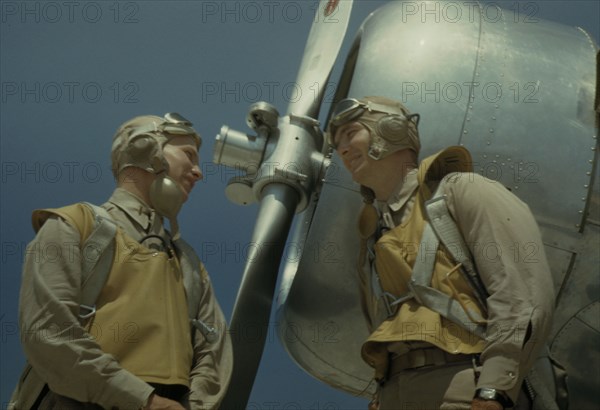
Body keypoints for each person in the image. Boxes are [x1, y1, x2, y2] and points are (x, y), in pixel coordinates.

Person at [326, 96, 557, 410]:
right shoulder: (372, 245)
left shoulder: (462, 190)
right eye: (337, 143)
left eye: (351, 133)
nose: (342, 149)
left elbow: (520, 294)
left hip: (466, 387)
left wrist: (494, 388)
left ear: (391, 130)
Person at [9, 113, 232, 409]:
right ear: (145, 147)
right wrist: (142, 400)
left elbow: (213, 355)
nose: (198, 172)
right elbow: (49, 335)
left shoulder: (189, 265)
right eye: (188, 155)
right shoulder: (74, 225)